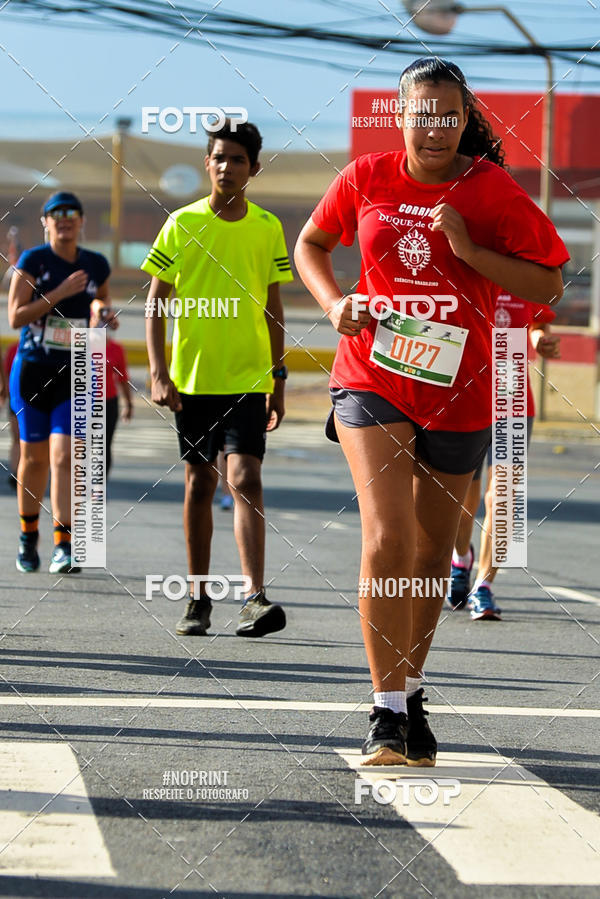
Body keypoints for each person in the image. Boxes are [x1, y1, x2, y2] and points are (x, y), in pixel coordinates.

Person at [294, 57, 568, 766]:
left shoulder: (491, 188)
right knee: (387, 538)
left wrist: (470, 249)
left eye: (450, 113)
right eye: (424, 112)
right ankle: (384, 710)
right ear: (401, 115)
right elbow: (311, 244)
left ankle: (411, 692)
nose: (436, 126)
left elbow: (551, 280)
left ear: (464, 117)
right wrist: (334, 303)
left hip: (462, 388)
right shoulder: (366, 177)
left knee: (425, 554)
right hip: (373, 375)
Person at [143, 119, 293, 638]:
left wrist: (278, 378)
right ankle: (197, 598)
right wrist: (159, 373)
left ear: (253, 168)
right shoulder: (181, 223)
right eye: (219, 157)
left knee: (247, 477)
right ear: (207, 164)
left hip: (249, 379)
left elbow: (274, 309)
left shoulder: (268, 227)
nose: (227, 167)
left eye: (237, 159)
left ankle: (254, 597)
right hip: (193, 381)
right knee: (200, 482)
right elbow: (155, 301)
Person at [8, 191, 116, 573]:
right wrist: (58, 293)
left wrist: (103, 314)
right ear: (45, 221)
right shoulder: (32, 260)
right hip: (34, 370)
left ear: (82, 220)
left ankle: (64, 543)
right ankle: (27, 536)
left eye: (72, 212)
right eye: (57, 213)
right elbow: (16, 317)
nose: (65, 219)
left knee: (65, 455)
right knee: (34, 458)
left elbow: (98, 302)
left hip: (75, 373)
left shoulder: (95, 264)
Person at [448, 293, 561, 619]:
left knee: (504, 495)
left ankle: (483, 586)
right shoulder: (461, 262)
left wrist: (540, 340)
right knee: (463, 498)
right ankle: (460, 558)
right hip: (465, 393)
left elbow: (537, 321)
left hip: (512, 395)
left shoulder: (520, 274)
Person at [89, 306, 133, 477]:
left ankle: (98, 485)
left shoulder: (116, 349)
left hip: (107, 402)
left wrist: (128, 404)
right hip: (82, 402)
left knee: (103, 444)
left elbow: (123, 379)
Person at [3, 340, 20, 489]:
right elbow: (6, 374)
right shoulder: (13, 349)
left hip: (35, 400)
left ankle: (20, 472)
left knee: (21, 440)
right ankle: (16, 473)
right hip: (17, 399)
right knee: (17, 438)